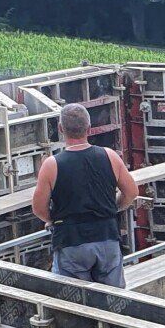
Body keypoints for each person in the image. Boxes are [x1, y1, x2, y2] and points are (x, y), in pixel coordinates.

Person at [31, 103, 139, 286]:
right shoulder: (110, 156)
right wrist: (114, 208)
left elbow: (38, 208)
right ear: (89, 129)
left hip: (71, 242)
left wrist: (52, 219)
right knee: (113, 298)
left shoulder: (51, 165)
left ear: (60, 129)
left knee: (74, 300)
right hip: (107, 238)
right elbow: (131, 192)